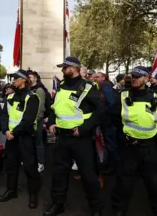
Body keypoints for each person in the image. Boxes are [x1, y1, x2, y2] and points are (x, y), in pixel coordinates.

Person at [44, 57, 103, 216]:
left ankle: (96, 208)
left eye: (65, 67)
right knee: (59, 174)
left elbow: (99, 112)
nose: (62, 70)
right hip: (62, 138)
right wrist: (50, 123)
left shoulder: (88, 87)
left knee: (88, 176)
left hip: (80, 139)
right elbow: (53, 109)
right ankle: (58, 204)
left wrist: (83, 129)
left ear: (74, 68)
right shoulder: (61, 86)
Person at [109, 66, 157, 216]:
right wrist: (123, 135)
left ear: (146, 78)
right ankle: (119, 210)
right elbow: (114, 117)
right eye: (133, 76)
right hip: (129, 147)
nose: (134, 79)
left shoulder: (156, 97)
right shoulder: (123, 96)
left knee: (155, 183)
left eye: (138, 76)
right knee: (124, 182)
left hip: (150, 147)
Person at [0, 69, 41, 209]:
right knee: (11, 165)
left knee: (30, 167)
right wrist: (6, 130)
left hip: (25, 137)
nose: (13, 81)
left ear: (23, 80)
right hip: (12, 138)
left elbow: (28, 120)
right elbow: (4, 115)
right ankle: (11, 191)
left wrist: (13, 132)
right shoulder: (10, 97)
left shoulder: (32, 97)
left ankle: (33, 195)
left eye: (16, 78)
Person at [29, 71, 47, 173]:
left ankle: (41, 163)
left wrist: (35, 120)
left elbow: (41, 108)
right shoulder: (28, 89)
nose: (28, 79)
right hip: (29, 121)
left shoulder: (39, 90)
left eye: (30, 77)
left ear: (35, 79)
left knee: (38, 142)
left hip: (37, 121)